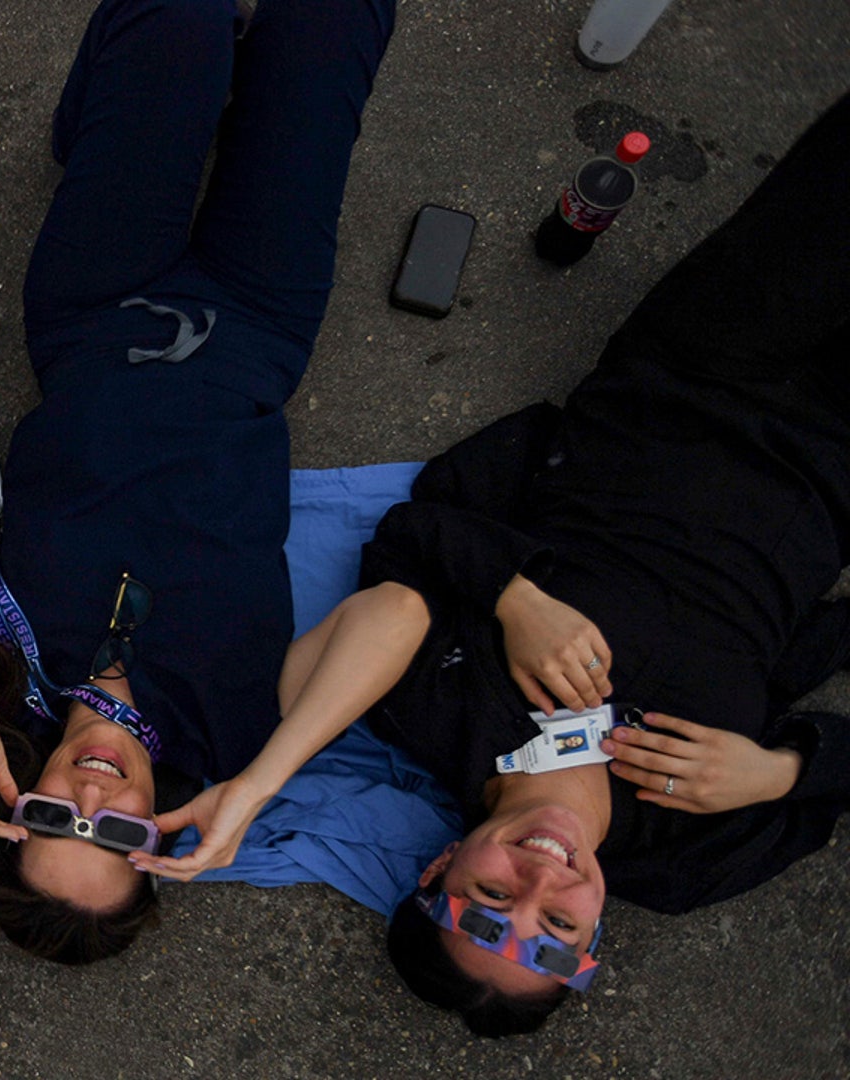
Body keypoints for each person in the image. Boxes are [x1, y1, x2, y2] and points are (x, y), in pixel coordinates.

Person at [136, 93, 850, 1034]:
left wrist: (516, 597)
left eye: (489, 900)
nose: (542, 877)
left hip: (692, 374)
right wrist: (784, 772)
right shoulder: (685, 862)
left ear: (438, 870)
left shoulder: (437, 713)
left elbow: (404, 564)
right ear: (593, 940)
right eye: (556, 922)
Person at [0, 0, 397, 963]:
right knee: (329, 30)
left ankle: (99, 109)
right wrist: (261, 783)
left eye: (52, 819)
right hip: (256, 327)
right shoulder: (234, 727)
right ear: (162, 841)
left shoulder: (3, 677)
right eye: (117, 833)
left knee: (183, 24)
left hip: (95, 310)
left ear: (13, 799)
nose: (93, 798)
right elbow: (398, 613)